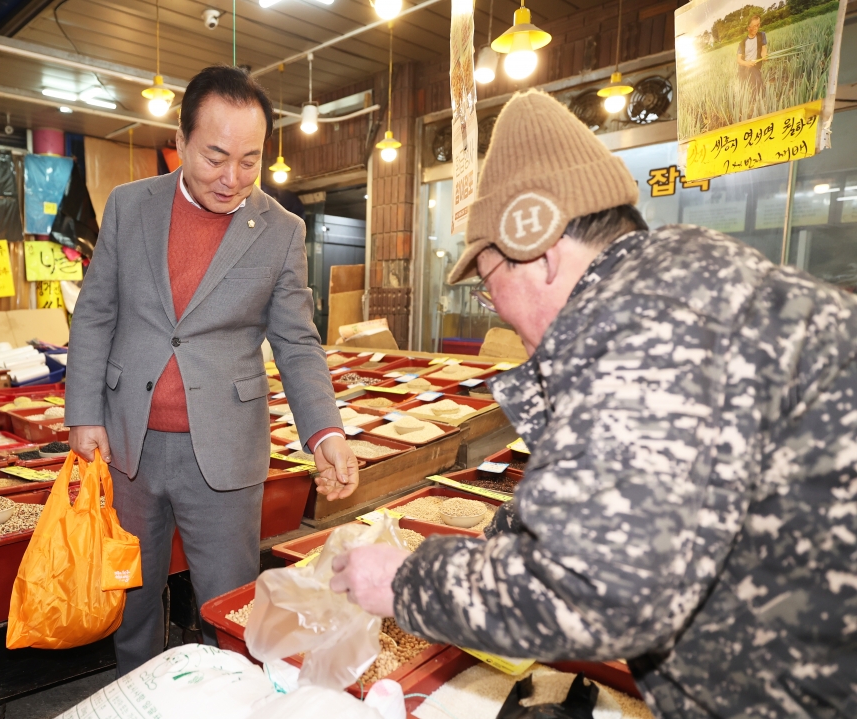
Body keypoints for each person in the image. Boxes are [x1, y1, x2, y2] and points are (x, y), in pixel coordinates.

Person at [330, 89, 857, 717]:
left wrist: (405, 583)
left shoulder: (643, 327)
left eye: (489, 283)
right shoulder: (682, 279)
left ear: (542, 254)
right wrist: (499, 542)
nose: (492, 305)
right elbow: (616, 496)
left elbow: (598, 588)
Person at [66, 65, 360, 675]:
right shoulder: (129, 206)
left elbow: (297, 342)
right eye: (216, 157)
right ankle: (136, 697)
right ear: (180, 139)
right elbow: (95, 315)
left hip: (225, 451)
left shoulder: (281, 231)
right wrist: (83, 416)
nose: (232, 179)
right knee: (131, 597)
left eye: (250, 161)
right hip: (129, 446)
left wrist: (326, 433)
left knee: (230, 605)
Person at [736, 14, 768, 102]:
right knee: (742, 89)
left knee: (757, 81)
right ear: (748, 27)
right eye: (754, 26)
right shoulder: (742, 42)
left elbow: (763, 49)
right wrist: (747, 63)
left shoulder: (762, 35)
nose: (756, 28)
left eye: (758, 25)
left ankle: (761, 101)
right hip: (744, 67)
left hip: (754, 66)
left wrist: (764, 55)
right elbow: (739, 60)